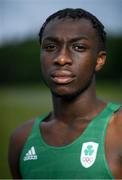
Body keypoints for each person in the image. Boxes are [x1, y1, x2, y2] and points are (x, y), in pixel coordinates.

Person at [8, 8, 122, 179]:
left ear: (99, 60)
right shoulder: (22, 139)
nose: (61, 59)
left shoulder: (118, 128)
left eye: (78, 47)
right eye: (50, 46)